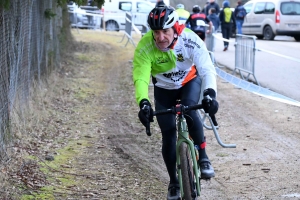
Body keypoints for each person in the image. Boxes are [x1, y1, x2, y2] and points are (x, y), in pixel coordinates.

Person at [133, 5, 219, 200]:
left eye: (165, 31)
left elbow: (206, 68)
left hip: (188, 82)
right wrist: (143, 102)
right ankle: (173, 182)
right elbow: (141, 77)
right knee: (168, 133)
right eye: (156, 32)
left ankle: (203, 157)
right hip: (163, 89)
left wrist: (210, 94)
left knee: (190, 111)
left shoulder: (190, 40)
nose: (160, 37)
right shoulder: (146, 47)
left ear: (175, 28)